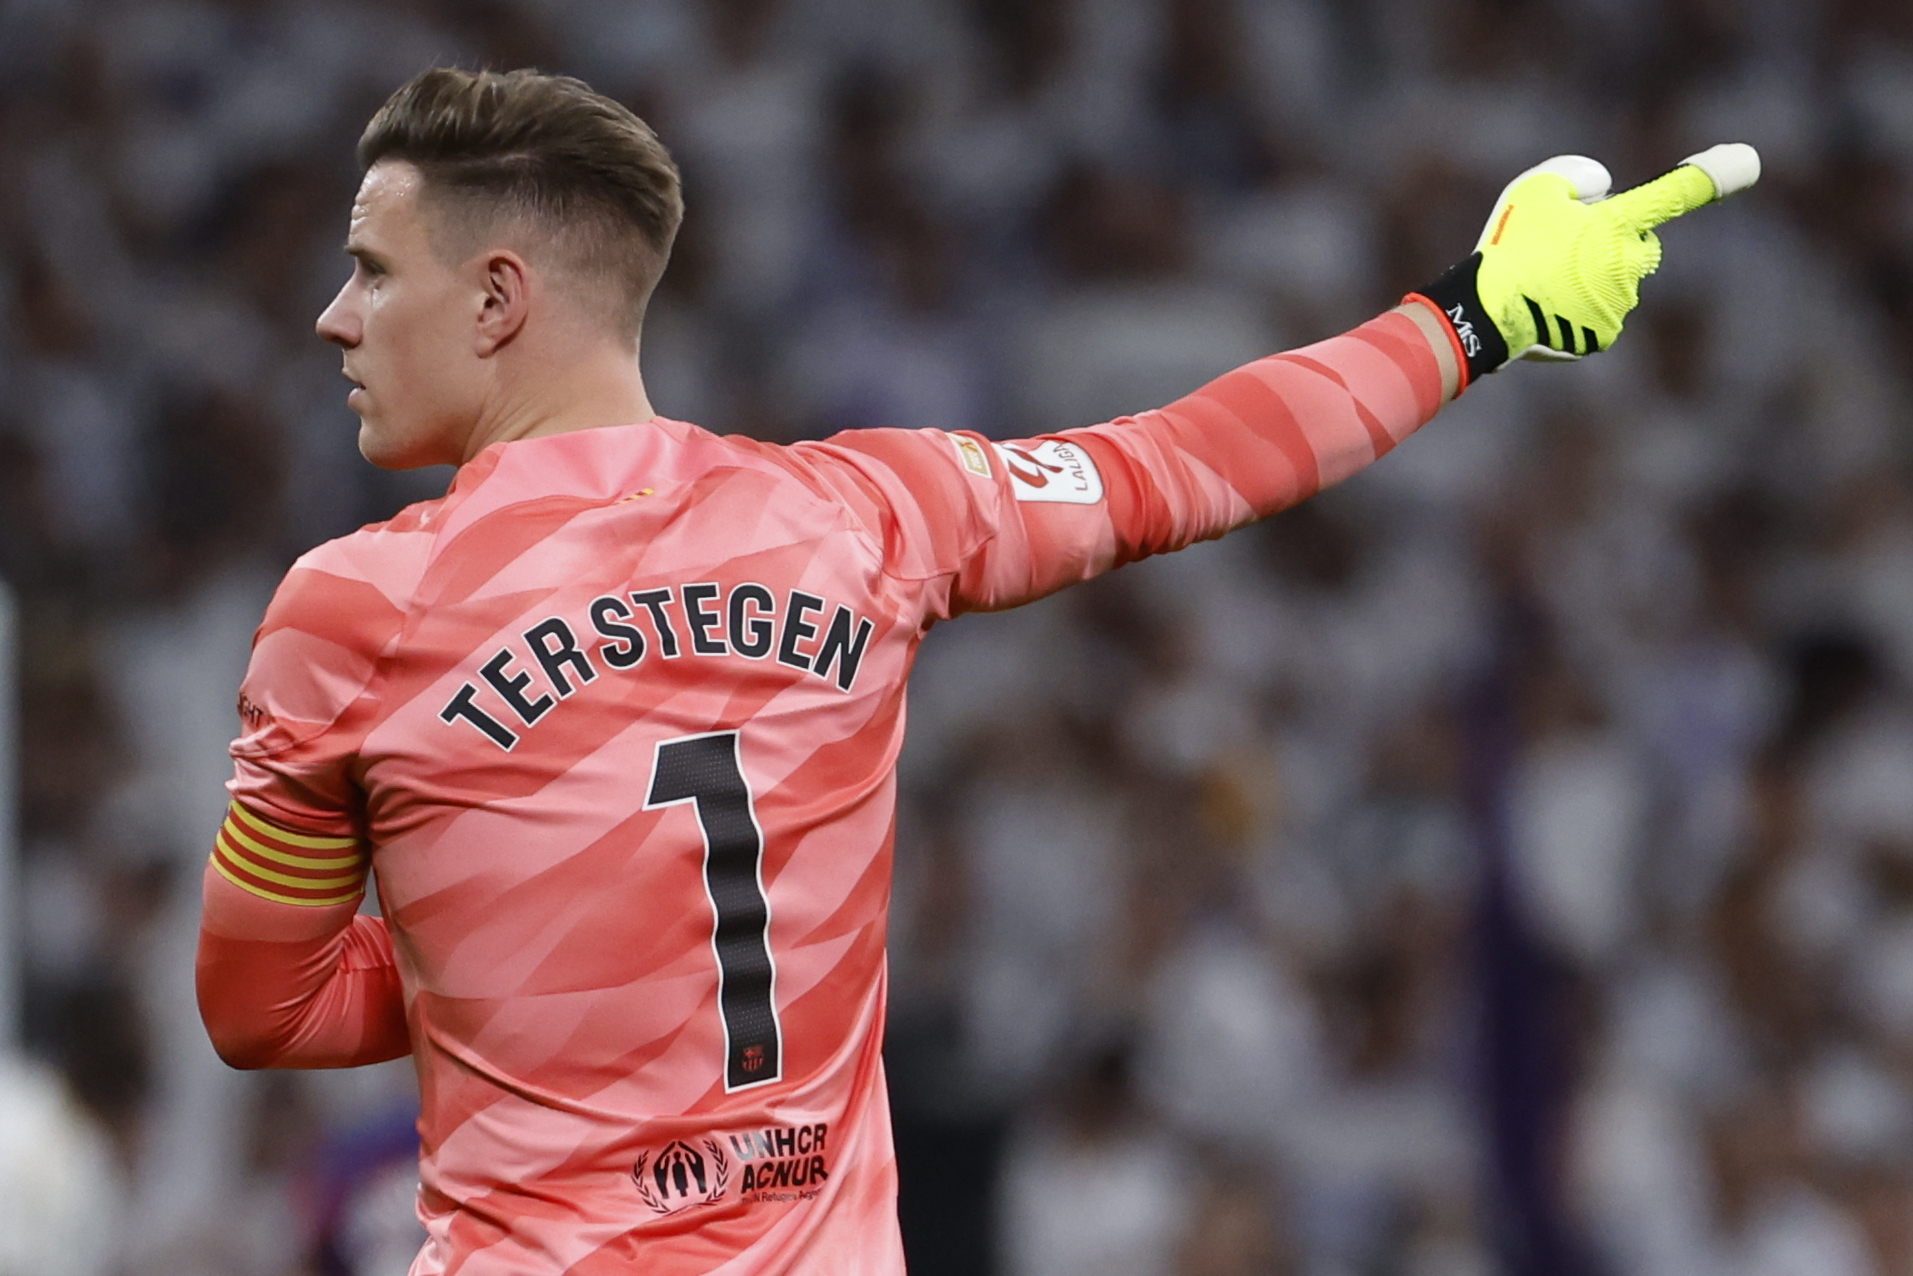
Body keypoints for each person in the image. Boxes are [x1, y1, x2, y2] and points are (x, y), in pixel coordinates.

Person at [193, 66, 1755, 1276]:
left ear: (495, 301)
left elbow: (259, 1009)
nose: (334, 317)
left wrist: (521, 935)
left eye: (371, 270)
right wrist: (1470, 317)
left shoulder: (355, 610)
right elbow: (1183, 462)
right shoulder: (863, 517)